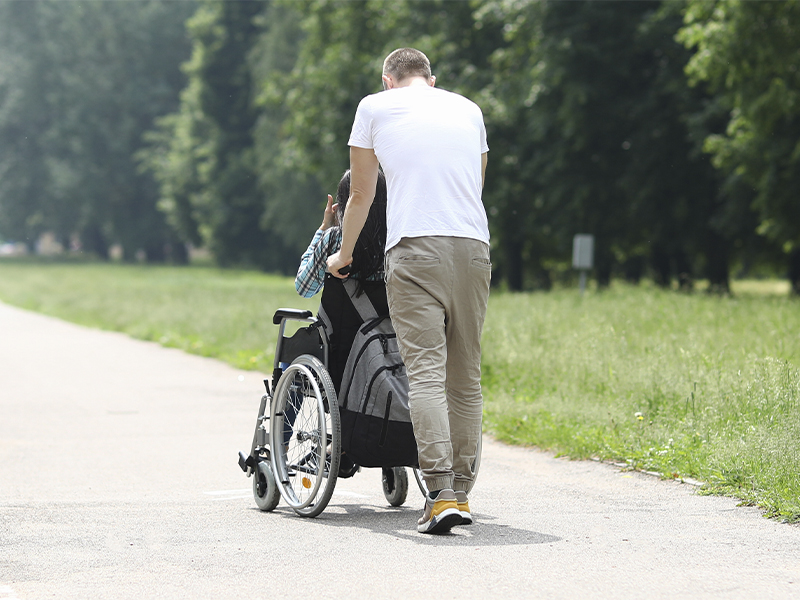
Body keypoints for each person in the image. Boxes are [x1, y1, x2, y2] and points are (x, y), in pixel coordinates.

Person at [327, 48, 491, 534]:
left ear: (387, 80)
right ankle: (461, 491)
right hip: (473, 247)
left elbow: (361, 194)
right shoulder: (469, 109)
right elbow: (474, 185)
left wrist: (342, 255)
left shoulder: (374, 107)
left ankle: (439, 494)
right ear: (432, 80)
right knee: (466, 378)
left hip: (415, 250)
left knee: (424, 374)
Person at [295, 169, 389, 477]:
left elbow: (304, 286)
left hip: (336, 359)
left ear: (345, 204)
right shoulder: (398, 245)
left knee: (292, 365)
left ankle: (278, 451)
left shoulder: (334, 240)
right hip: (387, 358)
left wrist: (322, 230)